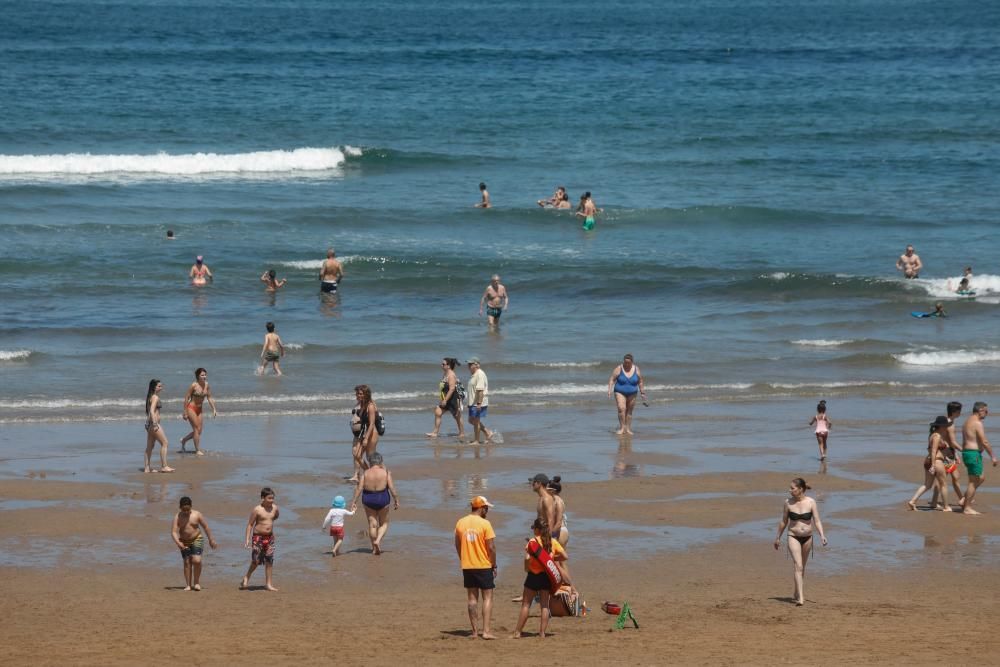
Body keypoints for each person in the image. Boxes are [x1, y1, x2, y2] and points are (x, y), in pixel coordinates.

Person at [512, 517, 571, 639]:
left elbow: (527, 558)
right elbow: (565, 556)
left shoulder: (532, 542)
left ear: (537, 530)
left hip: (533, 576)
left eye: (534, 528)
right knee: (544, 605)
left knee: (526, 605)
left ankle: (517, 632)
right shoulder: (552, 542)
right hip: (547, 577)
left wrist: (526, 568)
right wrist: (552, 559)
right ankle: (542, 633)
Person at [773, 478, 827, 606]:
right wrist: (778, 537)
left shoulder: (811, 502)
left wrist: (822, 535)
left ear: (801, 489)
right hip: (793, 536)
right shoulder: (788, 503)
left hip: (808, 537)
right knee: (798, 565)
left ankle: (797, 592)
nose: (790, 490)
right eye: (790, 488)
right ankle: (801, 598)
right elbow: (783, 521)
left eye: (792, 488)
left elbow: (817, 520)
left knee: (802, 568)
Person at [454, 496, 498, 639]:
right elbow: (491, 547)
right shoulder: (485, 524)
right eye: (486, 508)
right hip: (483, 565)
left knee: (472, 599)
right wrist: (494, 564)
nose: (487, 511)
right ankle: (485, 631)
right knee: (488, 597)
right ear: (481, 508)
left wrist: (463, 558)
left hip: (468, 565)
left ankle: (474, 632)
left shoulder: (460, 522)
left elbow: (457, 544)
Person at [350, 452, 399, 555]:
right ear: (380, 461)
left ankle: (374, 548)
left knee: (372, 525)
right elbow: (391, 488)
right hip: (382, 498)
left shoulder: (366, 473)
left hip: (369, 499)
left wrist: (354, 501)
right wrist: (396, 499)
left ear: (370, 462)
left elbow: (359, 488)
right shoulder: (385, 472)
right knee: (384, 523)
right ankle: (378, 541)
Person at [171, 496, 217, 591]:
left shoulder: (197, 515)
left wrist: (211, 539)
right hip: (184, 542)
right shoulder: (177, 517)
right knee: (187, 562)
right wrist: (178, 543)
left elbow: (206, 527)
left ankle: (196, 582)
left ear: (191, 507)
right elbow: (174, 532)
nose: (186, 512)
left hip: (197, 539)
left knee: (197, 560)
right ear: (180, 508)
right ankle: (188, 585)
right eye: (184, 510)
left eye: (188, 509)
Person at [907, 416, 953, 511]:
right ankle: (946, 507)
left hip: (929, 460)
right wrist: (933, 465)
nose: (947, 427)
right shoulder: (937, 436)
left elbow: (932, 450)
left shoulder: (932, 435)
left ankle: (912, 501)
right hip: (936, 461)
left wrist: (946, 458)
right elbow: (933, 450)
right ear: (941, 426)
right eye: (945, 426)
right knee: (943, 484)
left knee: (927, 485)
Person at [961, 402, 997, 515]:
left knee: (981, 478)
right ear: (980, 410)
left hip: (968, 453)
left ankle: (964, 499)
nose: (987, 414)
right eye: (986, 411)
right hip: (973, 454)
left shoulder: (967, 421)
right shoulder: (977, 423)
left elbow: (968, 439)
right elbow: (984, 441)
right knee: (973, 481)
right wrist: (993, 456)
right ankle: (967, 507)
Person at [241, 487, 279, 591]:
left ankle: (268, 584)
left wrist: (269, 525)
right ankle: (247, 576)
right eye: (269, 498)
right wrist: (247, 539)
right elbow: (250, 524)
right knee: (256, 560)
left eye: (273, 498)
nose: (272, 500)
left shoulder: (275, 508)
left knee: (269, 560)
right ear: (263, 498)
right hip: (258, 537)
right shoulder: (257, 510)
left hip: (270, 537)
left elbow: (275, 517)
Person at [932, 402, 966, 508]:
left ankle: (962, 499)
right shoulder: (950, 424)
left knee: (951, 477)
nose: (961, 413)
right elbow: (953, 442)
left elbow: (948, 441)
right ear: (955, 412)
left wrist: (955, 453)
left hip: (948, 453)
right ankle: (962, 499)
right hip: (946, 454)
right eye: (959, 411)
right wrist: (964, 451)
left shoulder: (946, 421)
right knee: (946, 478)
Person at [607, 353, 646, 435]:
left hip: (633, 393)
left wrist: (642, 393)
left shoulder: (636, 369)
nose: (627, 364)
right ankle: (621, 428)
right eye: (625, 362)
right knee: (622, 408)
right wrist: (609, 390)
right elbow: (612, 379)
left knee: (629, 411)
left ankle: (627, 428)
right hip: (619, 391)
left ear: (632, 362)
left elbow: (640, 381)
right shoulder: (619, 368)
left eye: (628, 363)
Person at [427, 357, 465, 440]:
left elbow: (452, 389)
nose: (441, 365)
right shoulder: (445, 373)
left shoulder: (451, 375)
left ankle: (462, 433)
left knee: (457, 416)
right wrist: (442, 398)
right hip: (447, 397)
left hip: (454, 398)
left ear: (448, 366)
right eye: (442, 364)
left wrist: (445, 400)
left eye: (443, 364)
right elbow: (444, 388)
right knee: (438, 412)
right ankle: (435, 433)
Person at [180, 368, 216, 455]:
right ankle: (197, 450)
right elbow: (186, 397)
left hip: (200, 409)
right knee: (196, 429)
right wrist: (185, 412)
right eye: (202, 375)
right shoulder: (194, 385)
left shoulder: (207, 385)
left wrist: (214, 409)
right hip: (191, 408)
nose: (204, 376)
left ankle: (184, 440)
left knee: (199, 431)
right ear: (198, 376)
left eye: (205, 375)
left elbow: (209, 397)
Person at [348, 385, 380, 483]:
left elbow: (371, 424)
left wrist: (366, 438)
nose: (358, 395)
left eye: (360, 393)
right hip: (363, 432)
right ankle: (369, 473)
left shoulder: (370, 405)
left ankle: (377, 475)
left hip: (371, 433)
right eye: (357, 393)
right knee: (356, 455)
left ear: (366, 394)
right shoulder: (361, 404)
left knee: (370, 457)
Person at [143, 379, 174, 473]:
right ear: (154, 387)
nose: (161, 387)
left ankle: (147, 468)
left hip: (150, 424)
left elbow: (149, 412)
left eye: (161, 386)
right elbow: (152, 411)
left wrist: (147, 423)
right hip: (154, 424)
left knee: (150, 447)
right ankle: (164, 466)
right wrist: (155, 423)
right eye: (159, 386)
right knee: (165, 443)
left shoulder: (150, 397)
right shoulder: (155, 397)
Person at [466, 358, 493, 444]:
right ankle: (488, 432)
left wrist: (479, 403)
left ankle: (476, 440)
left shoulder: (480, 374)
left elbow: (480, 390)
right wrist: (469, 402)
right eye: (468, 364)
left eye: (471, 364)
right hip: (473, 402)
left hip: (478, 402)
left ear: (477, 365)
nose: (469, 366)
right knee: (471, 420)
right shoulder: (474, 374)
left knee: (476, 421)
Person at [547, 476, 569, 546]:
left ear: (553, 490)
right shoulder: (555, 500)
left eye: (548, 489)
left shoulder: (557, 501)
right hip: (559, 530)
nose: (546, 490)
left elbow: (559, 522)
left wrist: (552, 535)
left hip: (559, 531)